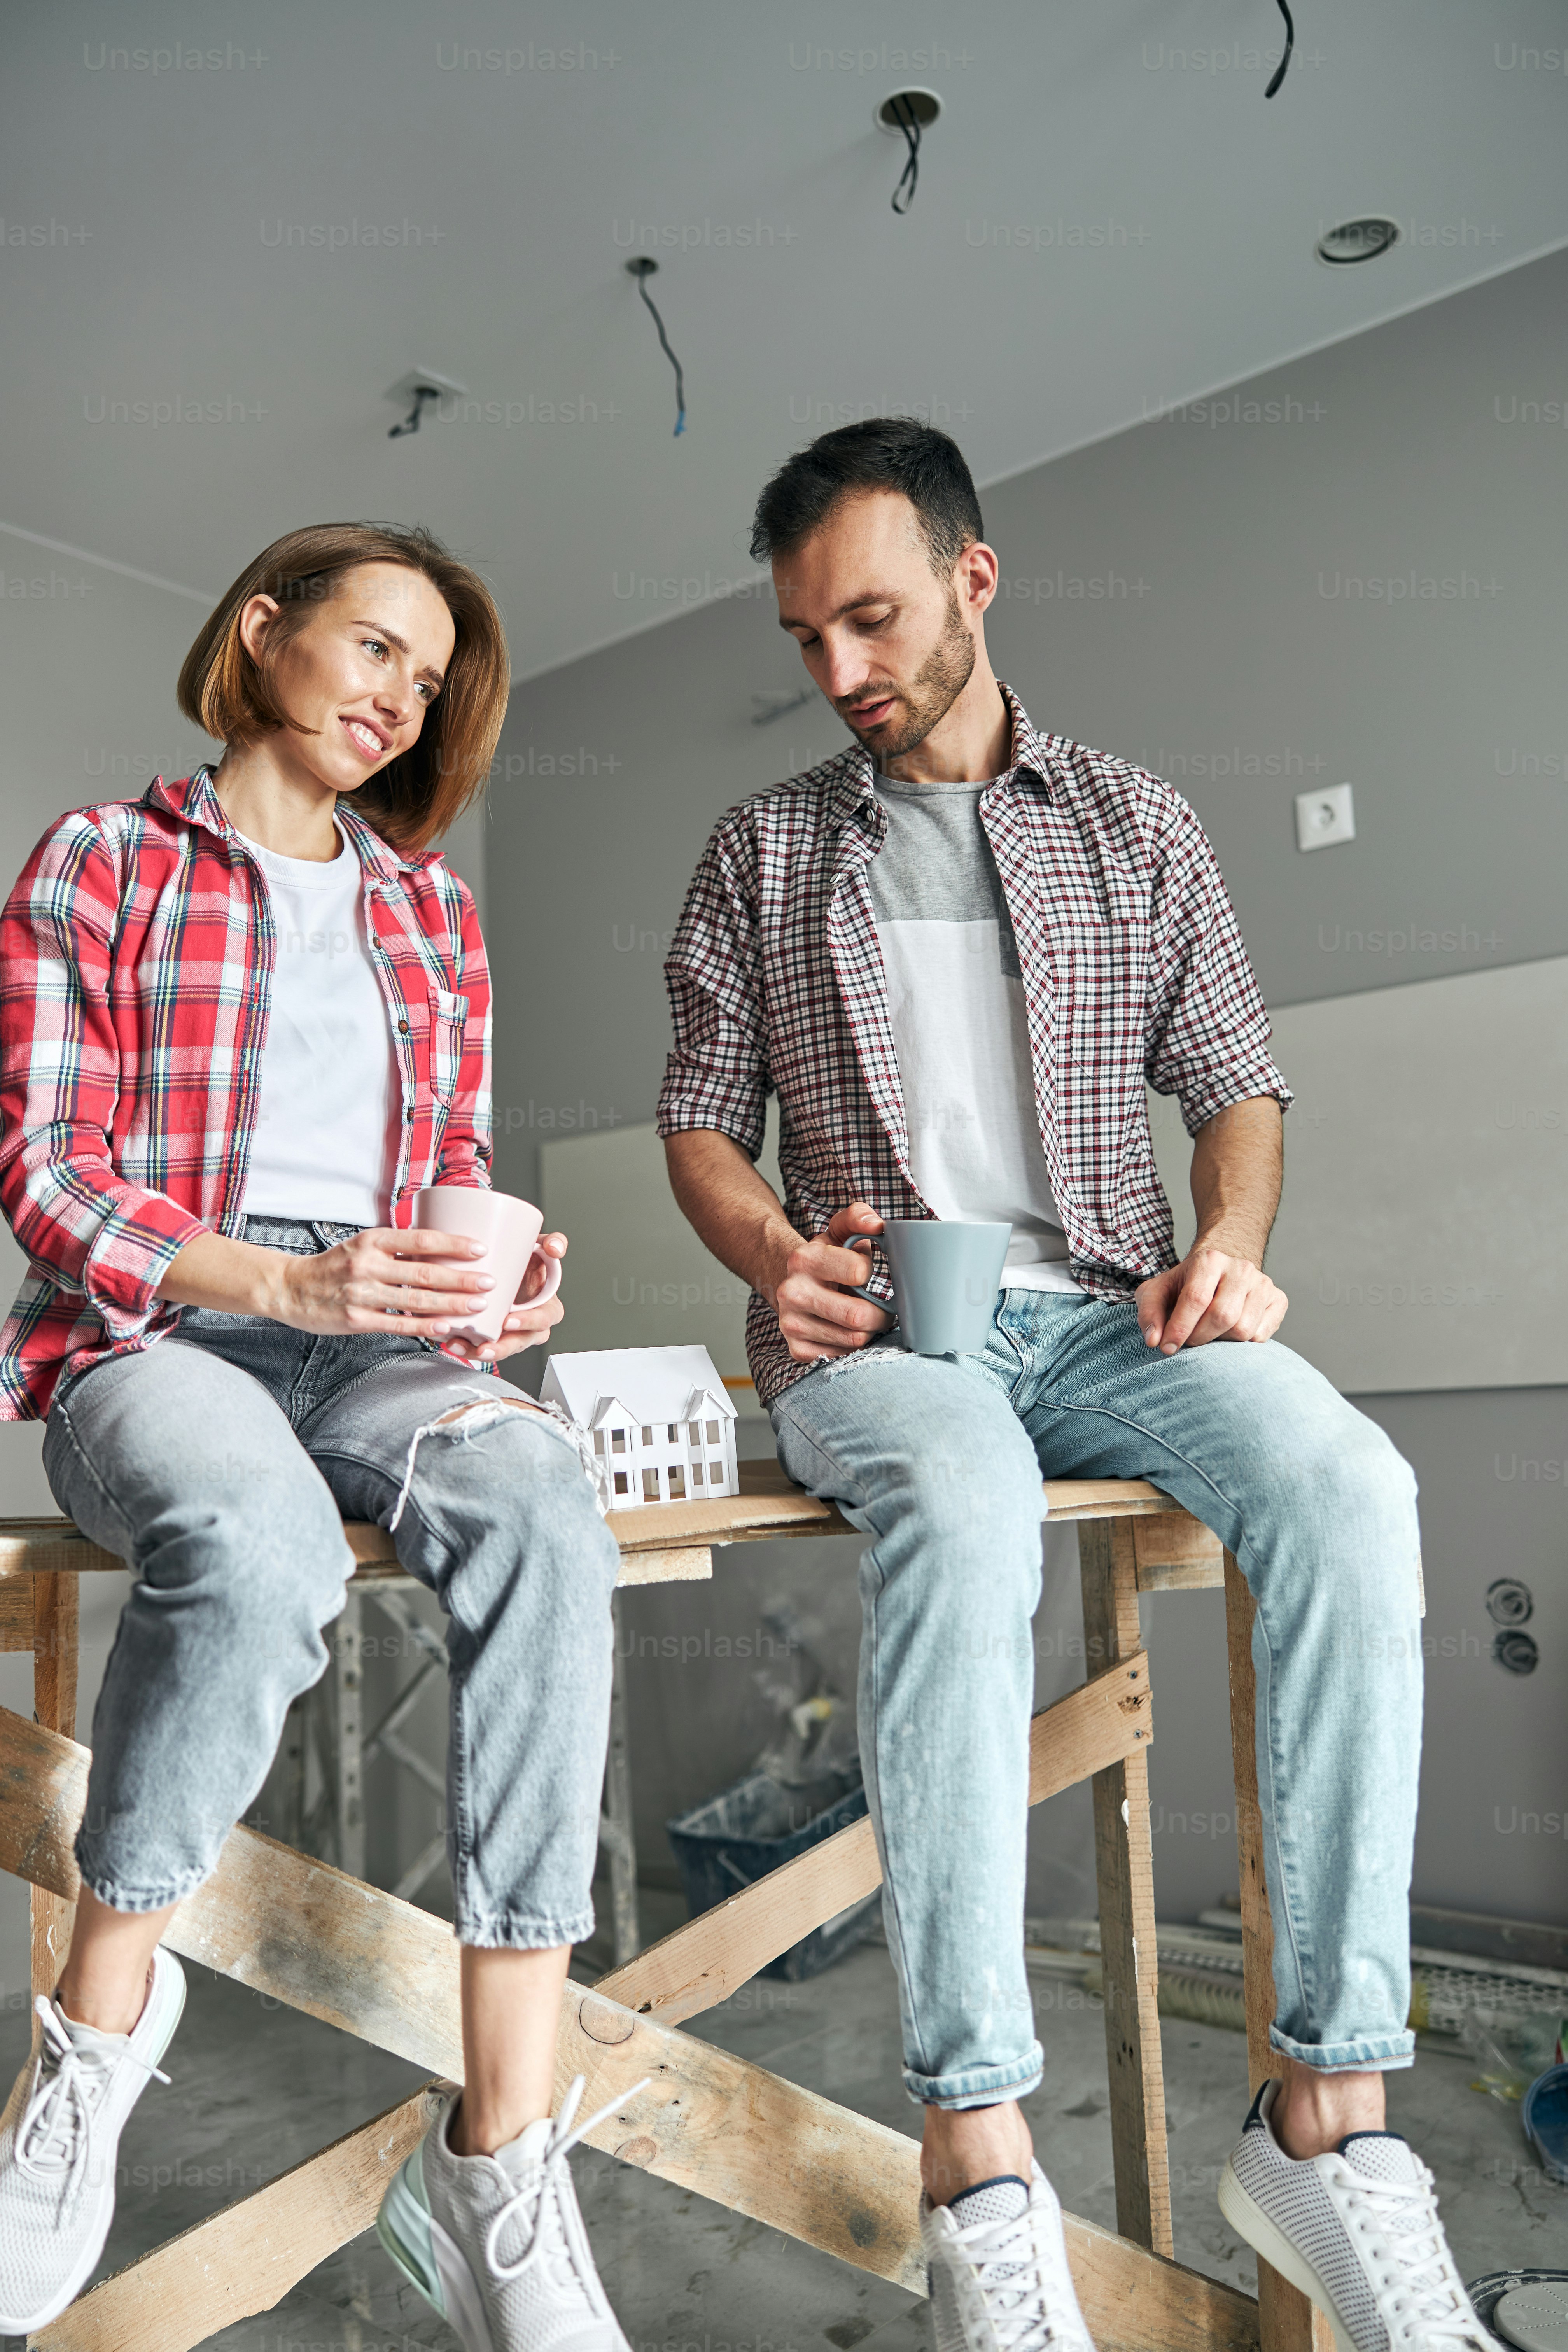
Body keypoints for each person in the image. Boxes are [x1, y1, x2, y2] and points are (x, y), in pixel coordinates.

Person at [658, 422, 1496, 2352]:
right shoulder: (765, 850)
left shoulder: (1135, 820)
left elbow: (1241, 1082)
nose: (842, 670)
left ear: (976, 578)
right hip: (878, 1329)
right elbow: (705, 1126)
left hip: (1117, 1313)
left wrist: (1229, 1236)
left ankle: (1329, 2126)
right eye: (806, 640)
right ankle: (980, 2162)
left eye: (871, 618)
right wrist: (775, 1257)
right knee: (962, 1502)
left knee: (1354, 1490)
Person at [0, 523, 640, 2352]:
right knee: (262, 1543)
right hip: (160, 1330)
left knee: (534, 1486)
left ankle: (502, 2150)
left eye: (425, 681)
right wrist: (277, 1291)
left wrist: (503, 1286)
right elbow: (43, 1173)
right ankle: (97, 2036)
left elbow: (451, 1184)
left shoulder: (429, 910)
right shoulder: (105, 859)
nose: (395, 698)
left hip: (377, 1335)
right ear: (261, 632)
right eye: (370, 648)